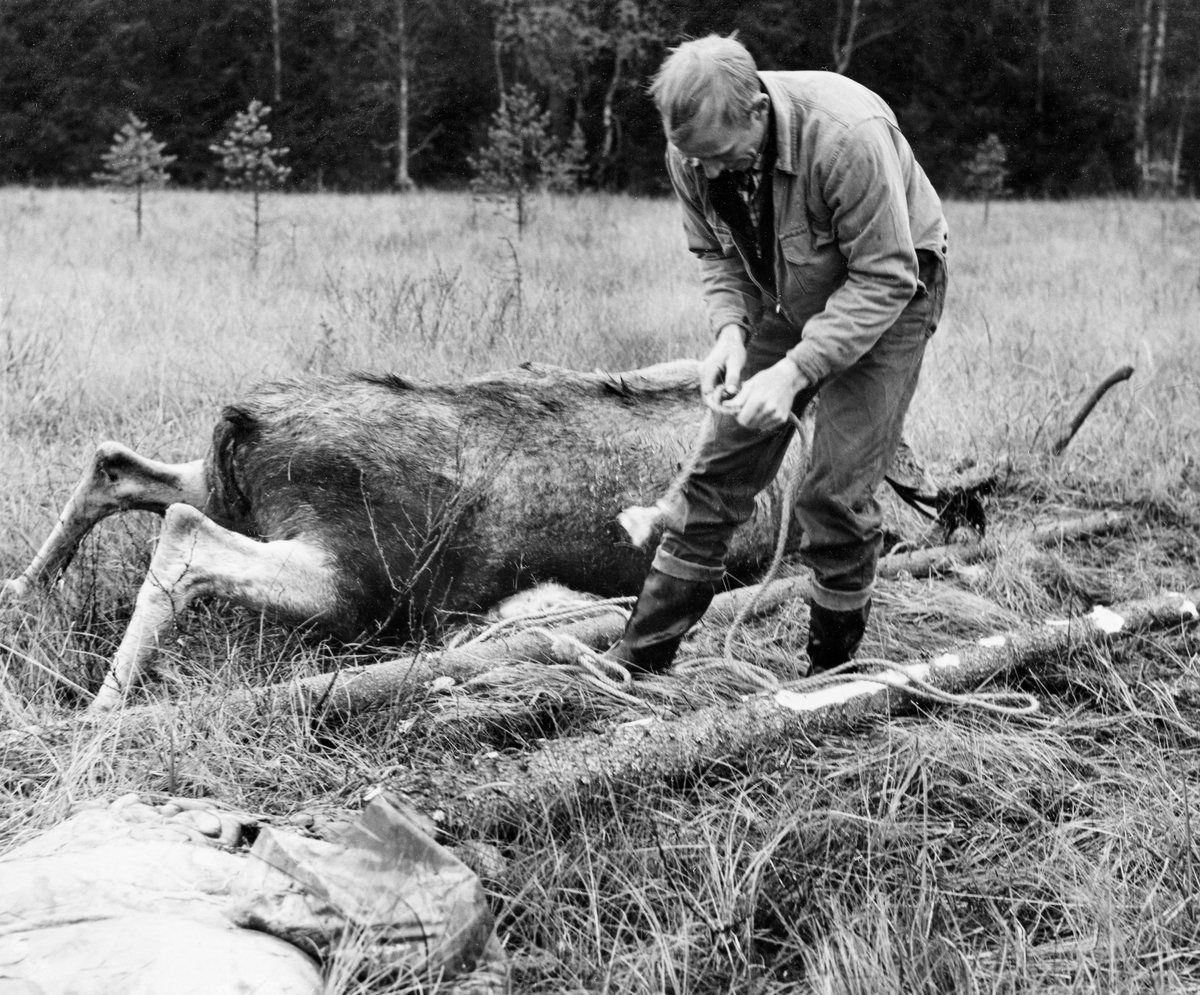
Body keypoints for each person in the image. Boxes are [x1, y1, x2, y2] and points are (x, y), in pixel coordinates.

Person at [608, 34, 949, 675]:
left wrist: (794, 372)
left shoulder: (848, 136)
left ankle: (829, 673)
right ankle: (636, 663)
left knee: (834, 493)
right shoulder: (695, 149)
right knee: (715, 473)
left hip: (894, 293)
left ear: (757, 114)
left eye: (717, 156)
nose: (706, 172)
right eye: (694, 158)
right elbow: (714, 251)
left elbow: (883, 277)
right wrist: (732, 332)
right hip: (791, 297)